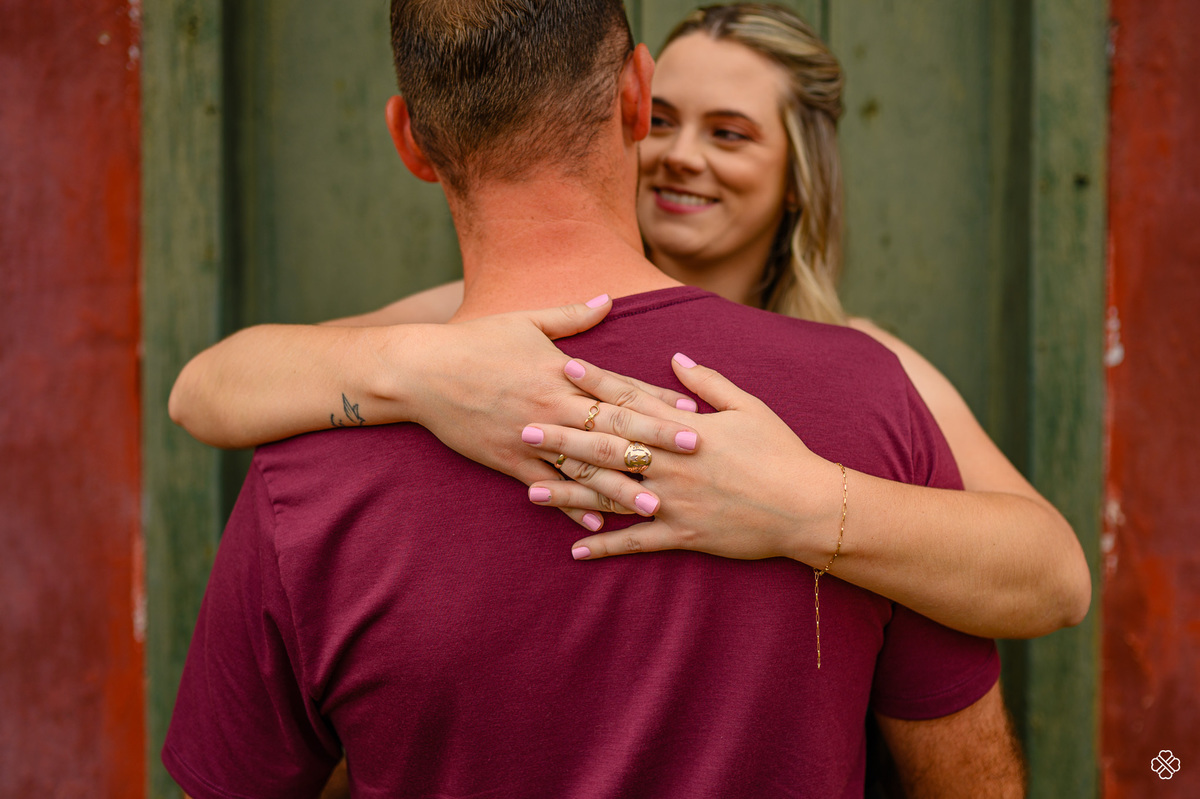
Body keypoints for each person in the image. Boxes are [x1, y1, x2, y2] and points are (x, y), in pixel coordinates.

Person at [163, 1, 1024, 796]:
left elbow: (1049, 573)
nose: (688, 156)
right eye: (677, 123)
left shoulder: (305, 474)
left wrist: (800, 505)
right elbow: (970, 771)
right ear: (637, 98)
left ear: (409, 139)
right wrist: (417, 373)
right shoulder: (865, 396)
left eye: (731, 133)